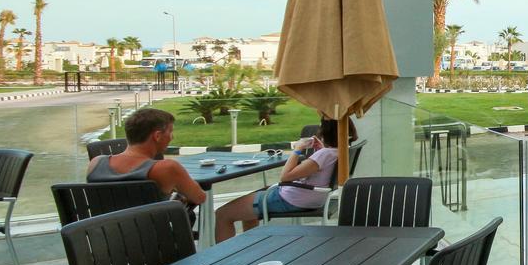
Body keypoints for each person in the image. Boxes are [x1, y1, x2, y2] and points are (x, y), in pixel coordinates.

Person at [214, 118, 357, 242]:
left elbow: (285, 176)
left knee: (223, 214)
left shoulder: (325, 154)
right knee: (249, 211)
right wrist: (320, 150)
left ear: (326, 131)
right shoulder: (339, 151)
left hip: (292, 199)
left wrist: (297, 150)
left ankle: (222, 258)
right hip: (313, 197)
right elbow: (317, 170)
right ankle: (250, 249)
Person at [87, 108, 207, 210]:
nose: (172, 137)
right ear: (157, 136)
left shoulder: (96, 163)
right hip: (152, 230)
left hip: (102, 229)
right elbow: (200, 197)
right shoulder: (167, 168)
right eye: (170, 132)